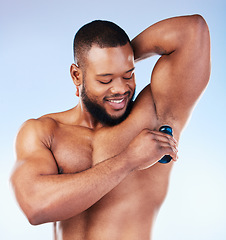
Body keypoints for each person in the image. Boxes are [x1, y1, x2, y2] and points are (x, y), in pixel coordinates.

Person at [10, 14, 210, 240]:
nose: (120, 89)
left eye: (128, 75)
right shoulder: (44, 131)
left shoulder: (153, 114)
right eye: (105, 79)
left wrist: (118, 58)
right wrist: (129, 160)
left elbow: (192, 30)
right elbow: (36, 207)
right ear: (77, 75)